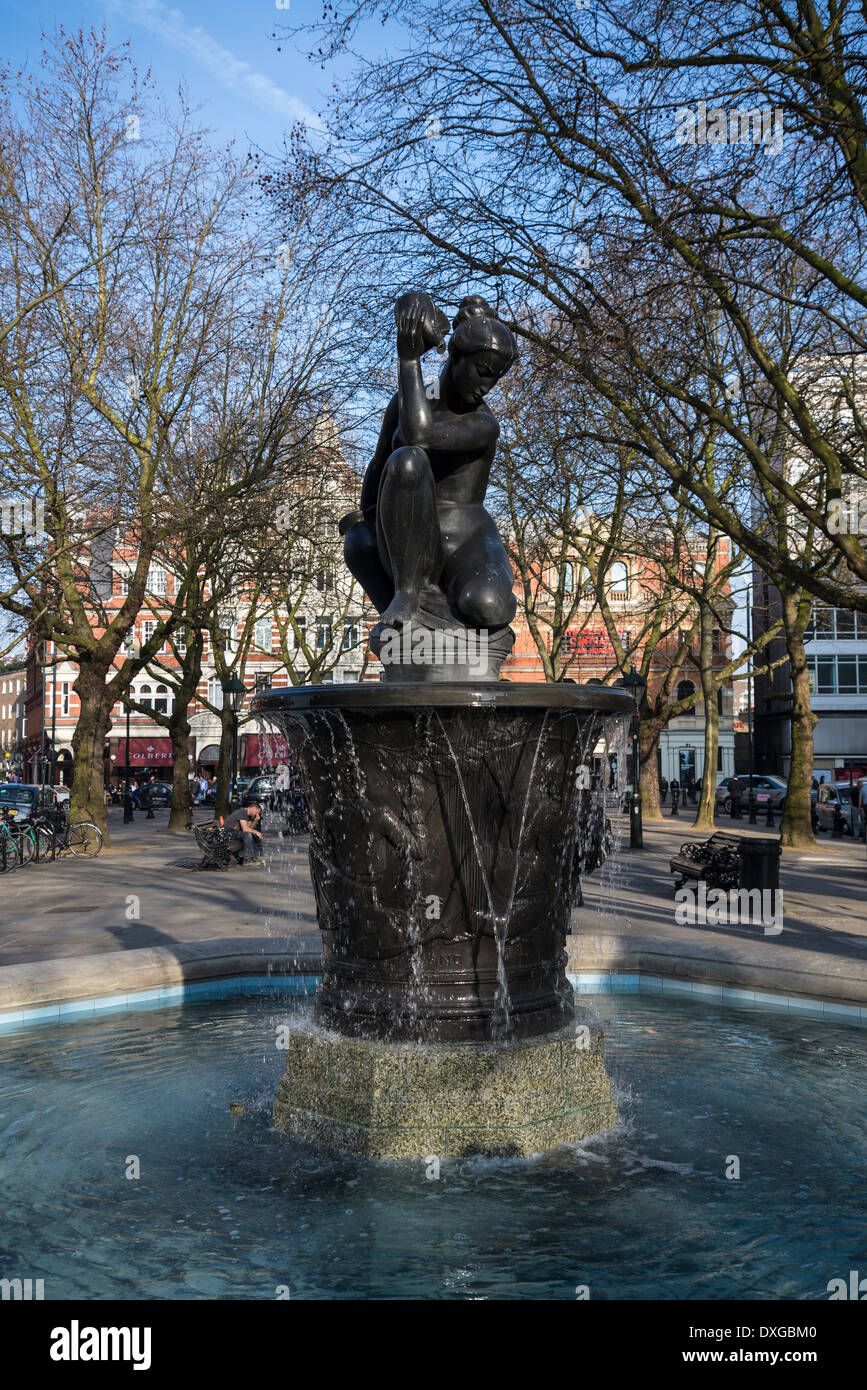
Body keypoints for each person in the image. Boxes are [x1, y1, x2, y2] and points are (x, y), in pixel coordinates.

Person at [222, 800, 264, 866]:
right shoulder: (242, 812)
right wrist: (257, 832)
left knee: (252, 834)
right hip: (227, 833)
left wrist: (255, 820)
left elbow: (250, 828)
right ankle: (248, 859)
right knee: (247, 835)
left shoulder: (248, 815)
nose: (257, 814)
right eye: (256, 812)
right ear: (253, 808)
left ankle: (253, 857)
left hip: (234, 833)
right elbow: (245, 829)